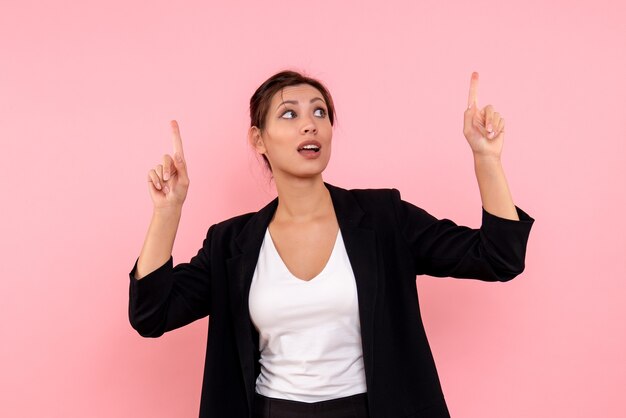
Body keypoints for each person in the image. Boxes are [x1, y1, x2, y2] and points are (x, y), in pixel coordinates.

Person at [128, 70, 535, 418]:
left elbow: (499, 257)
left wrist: (487, 158)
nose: (310, 125)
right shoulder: (230, 243)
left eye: (319, 112)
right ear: (258, 139)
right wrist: (168, 212)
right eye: (290, 114)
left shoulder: (383, 218)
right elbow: (152, 315)